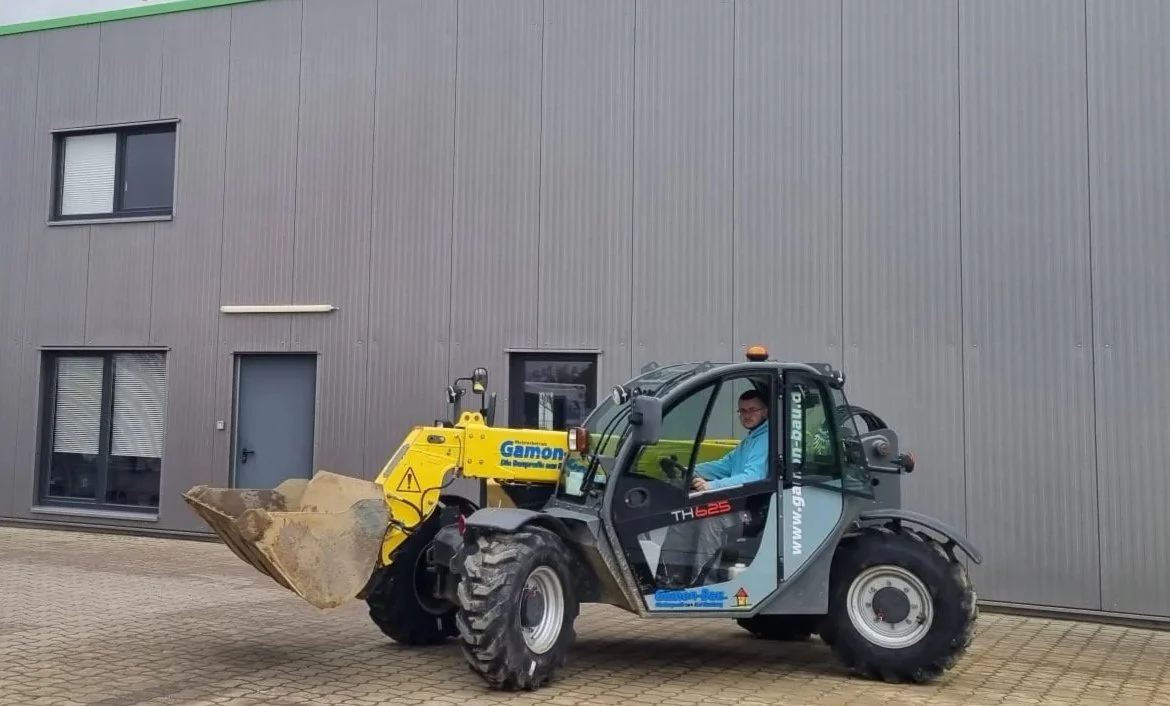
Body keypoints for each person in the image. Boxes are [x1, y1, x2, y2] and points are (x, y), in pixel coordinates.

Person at [658, 389, 770, 588]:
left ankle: (703, 583)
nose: (747, 415)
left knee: (709, 517)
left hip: (752, 508)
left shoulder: (766, 438)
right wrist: (690, 470)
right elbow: (724, 465)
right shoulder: (751, 438)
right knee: (686, 511)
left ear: (766, 411)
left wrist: (710, 486)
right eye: (743, 411)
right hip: (738, 501)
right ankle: (671, 575)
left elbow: (753, 476)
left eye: (752, 410)